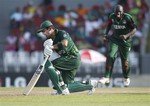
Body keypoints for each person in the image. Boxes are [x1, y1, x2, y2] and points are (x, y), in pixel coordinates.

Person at [37, 20, 98, 95]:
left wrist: (51, 47)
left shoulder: (61, 33)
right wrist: (46, 52)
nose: (43, 33)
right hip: (68, 60)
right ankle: (90, 85)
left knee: (50, 66)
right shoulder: (50, 40)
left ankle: (60, 88)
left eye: (43, 31)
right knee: (68, 86)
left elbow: (64, 44)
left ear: (50, 28)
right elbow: (49, 55)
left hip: (72, 57)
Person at [99, 5, 136, 87]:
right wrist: (106, 34)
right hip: (115, 39)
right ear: (114, 12)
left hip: (125, 41)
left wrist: (126, 36)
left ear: (123, 12)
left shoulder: (127, 18)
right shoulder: (112, 16)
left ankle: (126, 77)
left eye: (120, 12)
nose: (118, 14)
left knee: (125, 61)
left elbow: (134, 29)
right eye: (116, 12)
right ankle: (107, 77)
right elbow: (109, 25)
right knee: (110, 55)